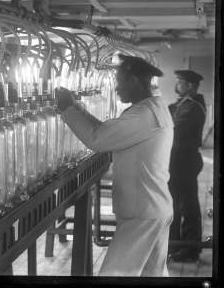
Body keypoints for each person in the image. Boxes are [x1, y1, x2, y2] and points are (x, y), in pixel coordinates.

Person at [56, 54, 174, 276]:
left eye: (120, 81)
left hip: (142, 215)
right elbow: (106, 131)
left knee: (114, 274)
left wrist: (67, 110)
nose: (117, 88)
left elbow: (98, 139)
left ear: (135, 80)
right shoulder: (153, 108)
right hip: (152, 208)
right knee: (153, 275)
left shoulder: (144, 115)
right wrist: (77, 109)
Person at [167, 70, 206, 262]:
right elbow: (171, 112)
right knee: (175, 203)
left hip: (185, 159)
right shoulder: (183, 104)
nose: (177, 85)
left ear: (190, 85)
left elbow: (175, 128)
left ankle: (190, 250)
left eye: (180, 82)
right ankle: (175, 244)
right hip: (178, 159)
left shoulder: (193, 106)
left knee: (187, 205)